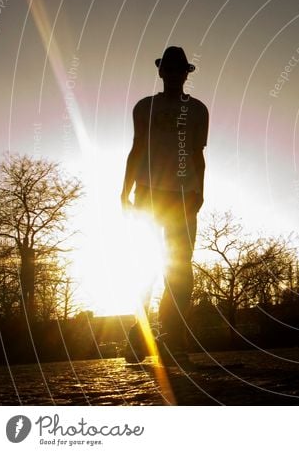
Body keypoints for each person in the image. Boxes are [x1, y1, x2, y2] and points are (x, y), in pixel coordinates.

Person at [121, 46, 208, 364]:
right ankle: (139, 333)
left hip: (183, 195)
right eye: (168, 70)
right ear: (160, 73)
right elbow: (136, 147)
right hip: (147, 191)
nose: (173, 75)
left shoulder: (198, 110)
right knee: (144, 260)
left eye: (179, 70)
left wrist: (200, 191)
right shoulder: (144, 107)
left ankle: (172, 333)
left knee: (180, 266)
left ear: (186, 74)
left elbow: (198, 155)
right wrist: (124, 189)